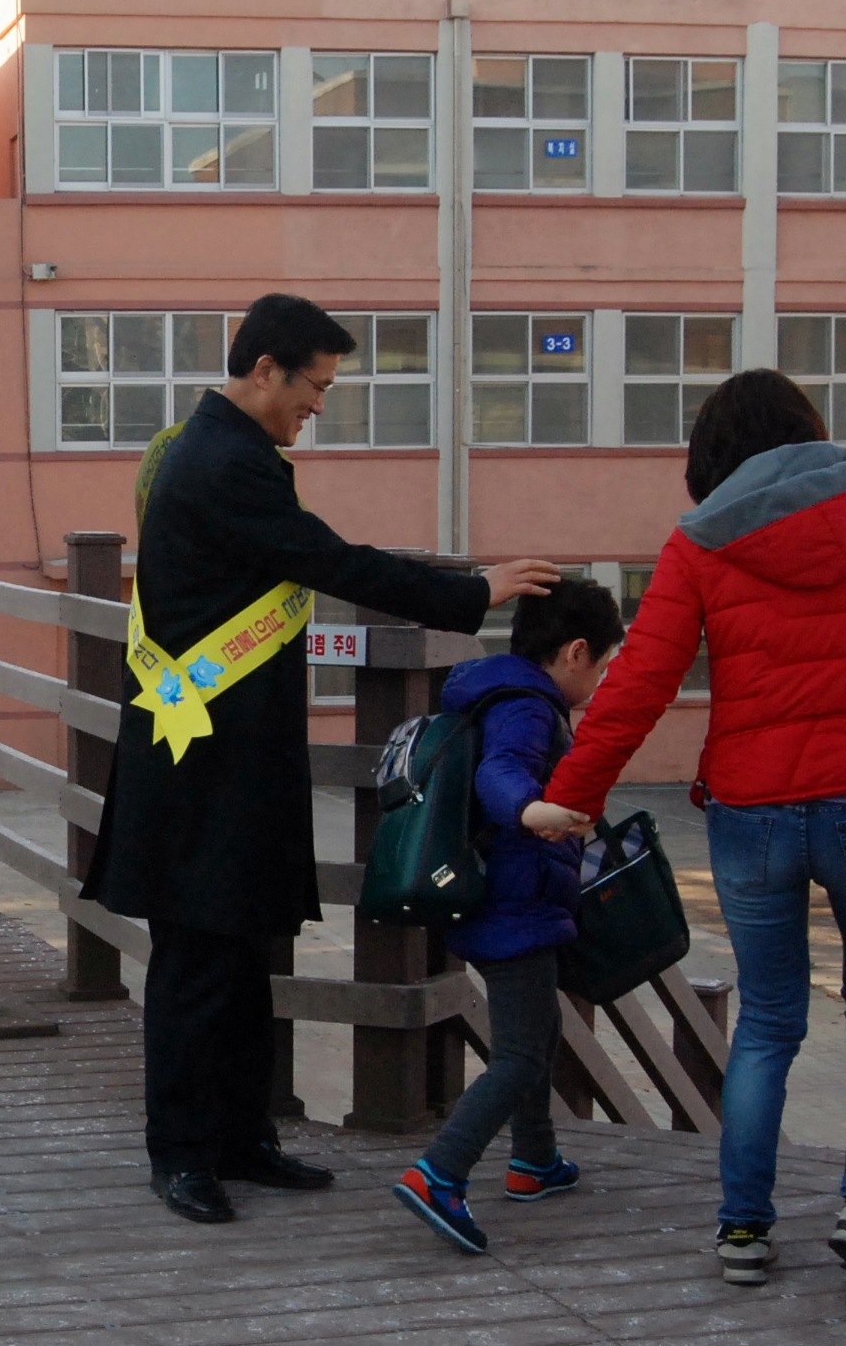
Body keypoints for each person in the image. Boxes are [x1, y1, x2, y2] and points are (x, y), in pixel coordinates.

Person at [81, 293, 561, 1225]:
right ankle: (182, 1154)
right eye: (315, 385)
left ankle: (242, 1137)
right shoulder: (227, 466)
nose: (319, 405)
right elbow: (333, 563)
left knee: (248, 949)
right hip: (203, 765)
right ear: (265, 369)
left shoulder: (221, 451)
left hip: (228, 757)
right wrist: (470, 591)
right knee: (197, 959)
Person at [538, 370, 846, 1289]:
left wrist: (571, 798)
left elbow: (638, 688)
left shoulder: (701, 541)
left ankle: (743, 1228)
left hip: (754, 805)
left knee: (771, 1018)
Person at [389, 578, 625, 1255]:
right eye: (604, 667)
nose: (601, 681)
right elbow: (500, 773)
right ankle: (441, 1172)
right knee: (521, 1052)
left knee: (538, 1033)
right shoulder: (527, 707)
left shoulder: (497, 690)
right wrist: (533, 810)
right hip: (515, 903)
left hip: (503, 898)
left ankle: (535, 1162)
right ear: (576, 653)